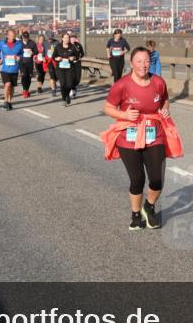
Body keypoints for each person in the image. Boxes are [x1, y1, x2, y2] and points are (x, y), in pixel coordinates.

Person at [101, 47, 183, 230]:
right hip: (129, 137)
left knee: (157, 179)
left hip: (154, 134)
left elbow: (164, 100)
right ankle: (136, 214)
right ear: (131, 63)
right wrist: (124, 115)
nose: (143, 65)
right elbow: (107, 108)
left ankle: (149, 206)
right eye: (139, 61)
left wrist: (165, 109)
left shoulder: (159, 82)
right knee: (137, 179)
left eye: (146, 61)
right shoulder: (122, 85)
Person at [0, 28, 24, 110]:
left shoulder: (19, 44)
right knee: (7, 84)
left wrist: (19, 57)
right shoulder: (1, 43)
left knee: (12, 87)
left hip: (14, 69)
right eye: (11, 36)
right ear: (7, 36)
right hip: (4, 68)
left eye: (14, 36)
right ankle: (5, 101)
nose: (12, 38)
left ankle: (9, 101)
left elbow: (22, 54)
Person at [53, 33, 81, 106]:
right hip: (60, 68)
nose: (66, 39)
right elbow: (53, 57)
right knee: (62, 84)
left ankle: (67, 95)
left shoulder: (72, 47)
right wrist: (57, 58)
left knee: (69, 84)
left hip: (70, 68)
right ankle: (63, 99)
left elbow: (77, 56)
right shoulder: (58, 47)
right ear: (62, 39)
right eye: (65, 38)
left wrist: (74, 58)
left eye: (68, 38)